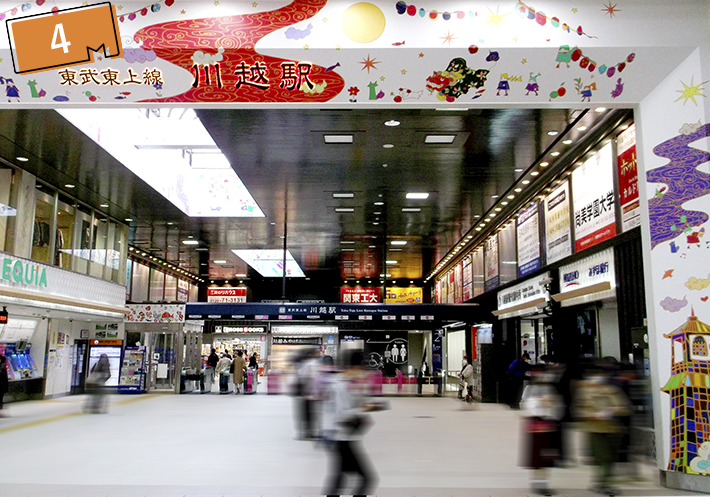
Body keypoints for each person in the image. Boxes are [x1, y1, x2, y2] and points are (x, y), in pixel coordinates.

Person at [323, 351, 378, 497]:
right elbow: (342, 414)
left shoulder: (346, 383)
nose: (362, 372)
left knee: (339, 481)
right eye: (360, 368)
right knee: (367, 479)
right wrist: (363, 408)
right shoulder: (340, 386)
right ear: (351, 367)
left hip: (344, 438)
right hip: (342, 439)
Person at [573, 366, 632, 496]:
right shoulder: (584, 391)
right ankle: (605, 484)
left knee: (610, 458)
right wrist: (592, 415)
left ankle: (600, 482)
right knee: (605, 457)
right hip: (594, 429)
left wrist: (611, 411)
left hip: (613, 428)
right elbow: (577, 410)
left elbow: (625, 407)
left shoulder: (612, 390)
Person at [520, 366, 565, 496]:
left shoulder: (552, 389)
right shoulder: (529, 389)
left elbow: (558, 408)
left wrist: (552, 408)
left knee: (547, 457)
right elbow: (526, 407)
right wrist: (540, 402)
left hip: (549, 427)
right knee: (537, 458)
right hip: (535, 428)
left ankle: (543, 482)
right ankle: (538, 482)